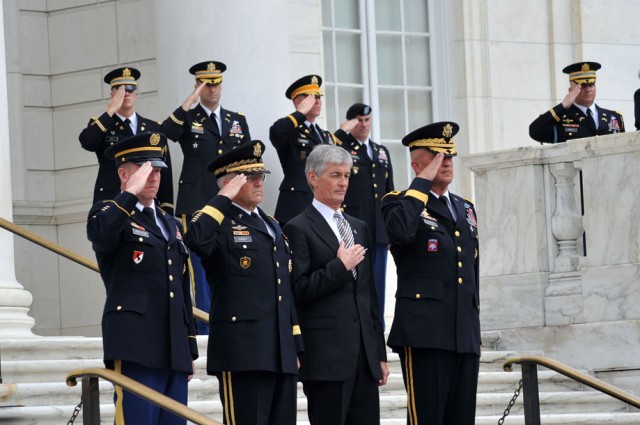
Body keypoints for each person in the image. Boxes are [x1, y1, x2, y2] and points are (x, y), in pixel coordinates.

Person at [185, 140, 303, 425]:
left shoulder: (272, 224)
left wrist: (295, 344)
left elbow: (283, 289)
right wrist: (222, 198)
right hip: (242, 350)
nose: (259, 182)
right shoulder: (217, 221)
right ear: (229, 184)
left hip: (279, 350)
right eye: (249, 177)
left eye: (260, 176)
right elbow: (196, 239)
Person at [86, 132, 198, 425]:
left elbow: (181, 287)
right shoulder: (110, 212)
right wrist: (128, 195)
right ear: (123, 173)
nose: (153, 175)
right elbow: (100, 235)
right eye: (144, 168)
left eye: (158, 169)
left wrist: (189, 346)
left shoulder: (169, 223)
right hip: (136, 343)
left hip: (173, 345)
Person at [381, 122, 480, 425]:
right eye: (438, 156)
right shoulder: (398, 202)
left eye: (450, 156)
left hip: (463, 331)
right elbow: (399, 232)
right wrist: (420, 185)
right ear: (416, 164)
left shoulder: (465, 208)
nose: (447, 162)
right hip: (425, 332)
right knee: (427, 417)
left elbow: (471, 268)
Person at [283, 144, 389, 425]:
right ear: (313, 178)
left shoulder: (359, 226)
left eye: (346, 175)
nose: (343, 182)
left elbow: (370, 298)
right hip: (326, 358)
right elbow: (298, 290)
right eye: (335, 175)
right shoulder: (298, 227)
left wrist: (378, 353)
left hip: (364, 359)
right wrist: (340, 267)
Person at [161, 60, 251, 334]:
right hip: (198, 204)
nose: (213, 88)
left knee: (235, 264)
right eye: (207, 83)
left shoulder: (236, 120)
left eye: (216, 83)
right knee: (200, 271)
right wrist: (187, 103)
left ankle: (231, 325)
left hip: (232, 204)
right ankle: (204, 331)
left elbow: (247, 161)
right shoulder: (188, 118)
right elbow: (164, 133)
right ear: (198, 86)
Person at [79, 67, 174, 213]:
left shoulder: (153, 127)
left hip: (146, 203)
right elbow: (87, 142)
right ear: (112, 94)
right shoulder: (103, 124)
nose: (126, 94)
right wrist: (110, 111)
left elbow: (164, 171)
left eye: (130, 90)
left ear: (136, 93)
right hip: (113, 200)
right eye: (121, 90)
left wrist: (166, 209)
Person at [334, 103, 394, 327]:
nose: (364, 124)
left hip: (378, 229)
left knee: (378, 281)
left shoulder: (381, 151)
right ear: (351, 122)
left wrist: (390, 227)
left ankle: (376, 324)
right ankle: (357, 322)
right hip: (354, 227)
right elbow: (323, 153)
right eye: (359, 120)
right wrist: (341, 131)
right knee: (356, 277)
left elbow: (389, 191)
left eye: (367, 120)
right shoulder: (342, 149)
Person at [270, 74, 337, 224]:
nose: (318, 101)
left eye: (319, 97)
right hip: (297, 205)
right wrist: (300, 113)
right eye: (312, 97)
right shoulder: (291, 131)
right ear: (299, 101)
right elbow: (276, 132)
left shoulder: (324, 135)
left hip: (322, 203)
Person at [529, 61, 625, 143]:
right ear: (570, 90)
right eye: (582, 86)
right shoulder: (560, 118)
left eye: (591, 84)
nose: (587, 89)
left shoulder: (614, 117)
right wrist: (563, 106)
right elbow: (535, 132)